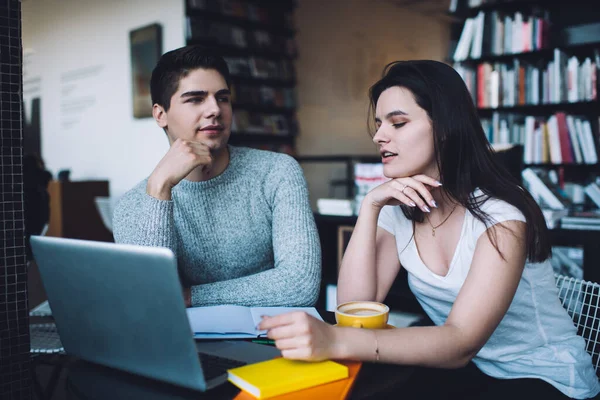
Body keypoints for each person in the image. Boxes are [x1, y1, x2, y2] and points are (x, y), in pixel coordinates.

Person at [259, 60, 600, 399]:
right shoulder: (399, 210)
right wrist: (370, 209)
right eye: (379, 124)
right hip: (470, 373)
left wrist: (333, 340)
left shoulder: (503, 217)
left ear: (445, 128)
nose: (379, 136)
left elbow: (460, 342)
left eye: (398, 123)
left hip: (543, 377)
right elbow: (354, 308)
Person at [113, 45, 321, 308]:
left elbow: (300, 286)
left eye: (222, 98)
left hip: (274, 339)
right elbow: (152, 300)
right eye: (195, 99)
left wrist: (190, 297)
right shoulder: (134, 205)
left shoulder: (277, 172)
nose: (215, 109)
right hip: (186, 345)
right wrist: (159, 188)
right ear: (160, 114)